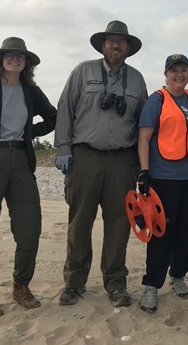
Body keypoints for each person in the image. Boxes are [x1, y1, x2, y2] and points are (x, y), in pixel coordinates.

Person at [55, 20, 148, 308]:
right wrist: (63, 148)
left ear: (128, 47)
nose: (116, 45)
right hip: (85, 157)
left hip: (122, 160)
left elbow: (144, 122)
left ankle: (116, 283)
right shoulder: (83, 71)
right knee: (79, 222)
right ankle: (74, 283)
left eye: (121, 41)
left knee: (119, 224)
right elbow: (65, 109)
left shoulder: (137, 80)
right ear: (103, 44)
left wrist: (143, 166)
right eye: (111, 40)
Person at [0, 36, 57, 317]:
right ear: (0, 60)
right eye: (10, 55)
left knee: (30, 227)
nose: (15, 59)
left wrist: (29, 133)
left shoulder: (30, 90)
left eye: (21, 56)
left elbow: (52, 117)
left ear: (26, 62)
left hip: (21, 162)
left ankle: (21, 286)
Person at [136, 54, 188, 313]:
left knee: (185, 230)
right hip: (163, 176)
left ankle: (178, 276)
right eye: (174, 70)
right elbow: (143, 138)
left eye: (184, 70)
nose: (179, 75)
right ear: (166, 74)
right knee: (162, 231)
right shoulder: (157, 100)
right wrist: (144, 173)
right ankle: (151, 286)